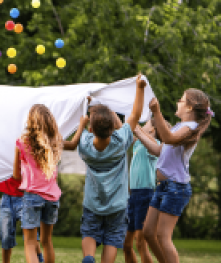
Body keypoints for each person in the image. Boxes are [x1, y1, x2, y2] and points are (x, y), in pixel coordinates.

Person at [0, 114, 88, 263]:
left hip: (32, 197)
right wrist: (82, 124)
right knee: (46, 241)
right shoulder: (55, 142)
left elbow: (16, 176)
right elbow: (72, 144)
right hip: (52, 198)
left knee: (30, 243)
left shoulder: (23, 142)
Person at [134, 89, 213, 263]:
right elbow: (157, 150)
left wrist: (157, 112)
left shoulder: (189, 128)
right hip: (164, 186)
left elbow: (168, 138)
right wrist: (137, 131)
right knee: (148, 232)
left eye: (181, 100)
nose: (178, 102)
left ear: (190, 107)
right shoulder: (179, 126)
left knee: (163, 236)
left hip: (176, 188)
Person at [78, 74, 146, 263]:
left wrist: (85, 107)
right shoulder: (120, 141)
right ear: (113, 128)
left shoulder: (84, 146)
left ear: (90, 129)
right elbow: (135, 115)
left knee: (90, 232)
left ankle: (89, 257)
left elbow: (81, 124)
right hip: (117, 204)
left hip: (93, 203)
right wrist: (139, 88)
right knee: (113, 238)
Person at [123, 118, 162, 263]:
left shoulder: (155, 145)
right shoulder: (138, 143)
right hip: (132, 195)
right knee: (126, 244)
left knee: (140, 243)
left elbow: (153, 147)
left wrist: (139, 131)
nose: (141, 124)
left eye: (146, 123)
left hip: (145, 194)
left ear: (152, 130)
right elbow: (128, 128)